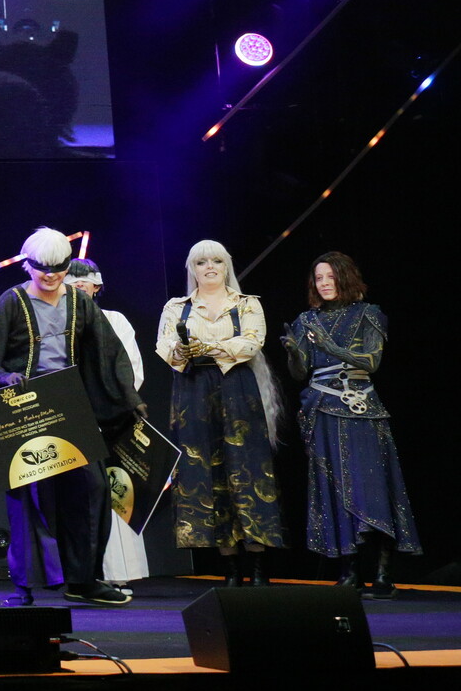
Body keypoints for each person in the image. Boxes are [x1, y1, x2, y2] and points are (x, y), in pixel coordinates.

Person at [0, 228, 141, 607]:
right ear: (28, 265)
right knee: (31, 496)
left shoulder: (80, 303)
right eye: (42, 269)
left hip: (70, 407)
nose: (50, 276)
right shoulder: (11, 302)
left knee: (93, 489)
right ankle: (26, 586)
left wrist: (127, 398)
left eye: (58, 269)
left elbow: (108, 354)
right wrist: (2, 377)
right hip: (26, 408)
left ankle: (84, 580)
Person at [282, 252, 420, 598]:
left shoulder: (368, 314)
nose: (324, 283)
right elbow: (300, 373)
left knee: (372, 488)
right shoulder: (306, 320)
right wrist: (294, 353)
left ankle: (383, 574)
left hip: (361, 409)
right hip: (322, 410)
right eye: (318, 278)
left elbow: (371, 362)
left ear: (345, 277)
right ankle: (350, 572)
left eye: (330, 276)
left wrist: (331, 346)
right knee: (334, 491)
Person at [157, 240, 285, 584]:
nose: (210, 267)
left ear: (226, 266)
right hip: (193, 392)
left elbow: (252, 342)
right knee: (205, 475)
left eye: (216, 261)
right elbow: (165, 347)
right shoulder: (176, 307)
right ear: (192, 269)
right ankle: (229, 568)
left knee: (249, 471)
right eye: (202, 262)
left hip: (238, 390)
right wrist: (184, 351)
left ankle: (258, 565)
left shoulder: (247, 304)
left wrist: (208, 347)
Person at [65, 259, 149, 589]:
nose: (78, 285)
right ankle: (81, 574)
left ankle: (117, 572)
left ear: (97, 286)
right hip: (70, 420)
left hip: (110, 419)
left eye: (84, 281)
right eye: (71, 281)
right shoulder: (57, 324)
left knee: (114, 490)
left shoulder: (115, 321)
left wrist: (111, 406)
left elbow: (131, 369)